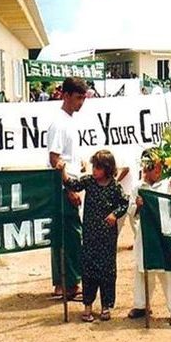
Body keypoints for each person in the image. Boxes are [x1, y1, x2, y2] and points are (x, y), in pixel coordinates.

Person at [59, 150, 129, 322]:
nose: (94, 171)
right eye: (93, 167)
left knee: (107, 271)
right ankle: (88, 306)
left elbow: (124, 202)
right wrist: (62, 171)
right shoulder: (89, 182)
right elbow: (73, 185)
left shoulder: (114, 187)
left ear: (107, 168)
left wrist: (115, 214)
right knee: (88, 270)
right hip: (90, 236)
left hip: (107, 238)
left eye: (98, 168)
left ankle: (106, 306)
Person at [127, 149, 171, 326]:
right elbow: (131, 212)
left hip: (166, 236)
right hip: (145, 236)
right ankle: (141, 305)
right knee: (142, 270)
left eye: (159, 168)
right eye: (152, 168)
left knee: (170, 272)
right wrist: (137, 206)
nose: (156, 171)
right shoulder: (138, 188)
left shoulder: (170, 184)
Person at [47, 77, 89, 299]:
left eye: (83, 98)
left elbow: (68, 156)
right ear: (65, 96)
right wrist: (69, 188)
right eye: (77, 98)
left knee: (67, 235)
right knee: (71, 236)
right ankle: (70, 284)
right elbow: (55, 159)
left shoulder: (71, 120)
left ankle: (64, 283)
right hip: (64, 186)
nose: (81, 102)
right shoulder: (59, 123)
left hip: (73, 179)